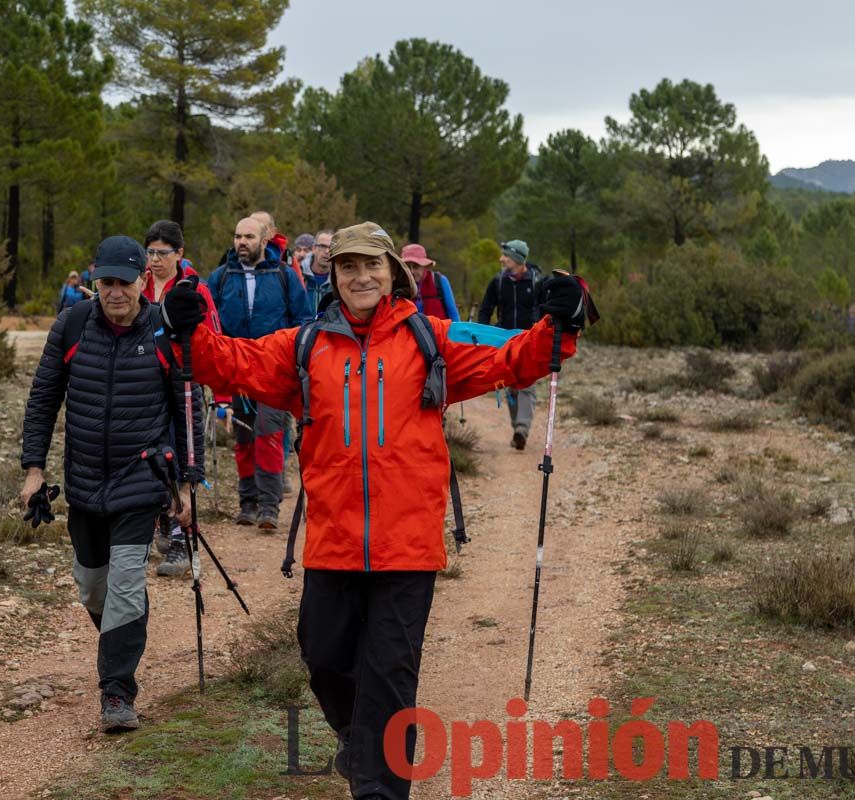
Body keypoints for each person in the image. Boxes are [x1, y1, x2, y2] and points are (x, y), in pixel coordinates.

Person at [161, 221, 587, 800]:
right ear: (333, 277)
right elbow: (234, 362)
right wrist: (189, 328)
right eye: (348, 267)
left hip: (407, 546)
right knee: (324, 656)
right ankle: (356, 735)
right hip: (333, 539)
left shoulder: (432, 339)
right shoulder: (305, 346)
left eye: (372, 266)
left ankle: (377, 785)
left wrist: (563, 316)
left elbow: (514, 354)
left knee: (390, 677)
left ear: (394, 274)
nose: (361, 277)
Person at [20, 235, 204, 733]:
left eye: (124, 282)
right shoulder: (73, 325)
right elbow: (42, 401)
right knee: (92, 587)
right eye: (106, 282)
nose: (115, 292)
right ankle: (125, 635)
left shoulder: (164, 333)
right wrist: (34, 470)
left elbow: (189, 410)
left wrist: (187, 483)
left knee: (124, 584)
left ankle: (117, 691)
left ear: (144, 280)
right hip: (84, 483)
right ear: (95, 281)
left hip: (140, 482)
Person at [207, 216, 312, 528]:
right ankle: (247, 502)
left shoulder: (284, 276)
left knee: (269, 434)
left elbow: (303, 319)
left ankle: (269, 505)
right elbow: (210, 324)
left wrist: (293, 364)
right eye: (238, 236)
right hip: (234, 369)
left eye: (249, 237)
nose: (242, 242)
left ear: (265, 241)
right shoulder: (221, 277)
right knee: (243, 437)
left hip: (274, 371)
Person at [141, 219, 223, 575]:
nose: (155, 259)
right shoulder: (138, 285)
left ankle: (181, 539)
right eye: (151, 252)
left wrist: (220, 391)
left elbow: (215, 337)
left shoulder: (194, 289)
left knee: (181, 456)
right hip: (144, 384)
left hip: (184, 383)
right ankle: (161, 522)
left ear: (180, 254)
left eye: (163, 253)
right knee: (150, 455)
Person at [477, 239, 543, 450]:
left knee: (527, 385)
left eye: (505, 255)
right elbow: (486, 310)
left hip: (529, 341)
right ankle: (518, 429)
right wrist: (481, 336)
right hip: (503, 341)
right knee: (510, 387)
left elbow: (545, 311)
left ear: (517, 258)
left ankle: (521, 429)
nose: (501, 259)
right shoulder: (498, 282)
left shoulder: (536, 282)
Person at [400, 244, 460, 321]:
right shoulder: (399, 286)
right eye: (407, 267)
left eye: (416, 266)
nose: (412, 271)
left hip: (438, 332)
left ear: (425, 266)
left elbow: (453, 314)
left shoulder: (440, 281)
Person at [303, 229, 334, 314]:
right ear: (313, 249)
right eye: (322, 246)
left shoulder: (338, 280)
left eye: (331, 247)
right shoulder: (299, 276)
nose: (327, 251)